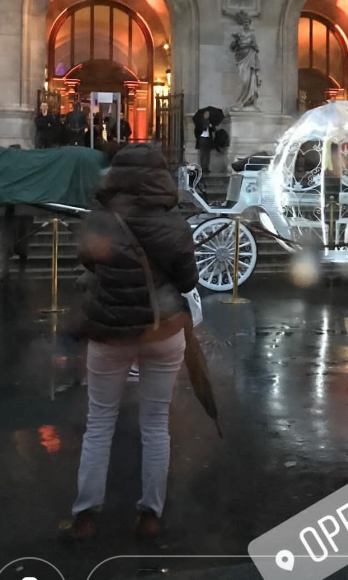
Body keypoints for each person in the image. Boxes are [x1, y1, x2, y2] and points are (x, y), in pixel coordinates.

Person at [58, 143, 199, 542]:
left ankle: (85, 517)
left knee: (99, 424)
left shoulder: (100, 221)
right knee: (156, 425)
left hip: (109, 332)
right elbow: (188, 283)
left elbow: (89, 264)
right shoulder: (176, 225)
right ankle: (150, 515)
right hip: (161, 331)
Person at [195, 110, 215, 175]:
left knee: (207, 154)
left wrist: (211, 126)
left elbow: (214, 130)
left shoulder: (210, 121)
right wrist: (206, 125)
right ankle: (202, 167)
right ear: (204, 115)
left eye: (208, 114)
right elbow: (199, 129)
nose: (207, 115)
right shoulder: (200, 121)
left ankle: (206, 167)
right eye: (206, 114)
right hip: (202, 138)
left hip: (208, 139)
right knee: (202, 154)